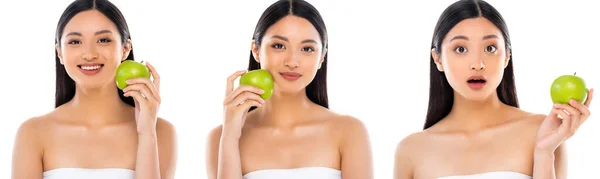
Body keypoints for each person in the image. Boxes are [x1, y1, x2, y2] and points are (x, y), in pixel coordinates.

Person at [393, 0, 593, 179]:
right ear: (438, 59)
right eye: (460, 49)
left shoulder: (542, 132)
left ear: (507, 56)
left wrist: (543, 152)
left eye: (490, 48)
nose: (477, 64)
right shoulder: (411, 151)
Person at [206, 0, 373, 179]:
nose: (292, 62)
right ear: (256, 49)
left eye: (307, 48)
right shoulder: (221, 138)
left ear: (322, 57)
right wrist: (230, 138)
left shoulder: (350, 131)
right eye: (279, 46)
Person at [11, 0, 177, 178]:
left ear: (125, 48)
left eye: (103, 40)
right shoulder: (32, 133)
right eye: (75, 41)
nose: (89, 54)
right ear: (59, 52)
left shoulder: (160, 131)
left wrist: (146, 134)